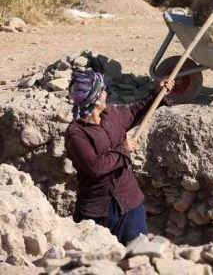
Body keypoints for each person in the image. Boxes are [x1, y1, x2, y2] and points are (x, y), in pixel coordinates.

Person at [64, 70, 174, 244]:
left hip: (129, 204)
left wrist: (156, 94)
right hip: (97, 211)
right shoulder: (77, 134)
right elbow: (95, 167)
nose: (106, 94)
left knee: (137, 257)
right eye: (102, 91)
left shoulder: (111, 115)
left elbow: (133, 113)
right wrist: (122, 149)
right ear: (95, 98)